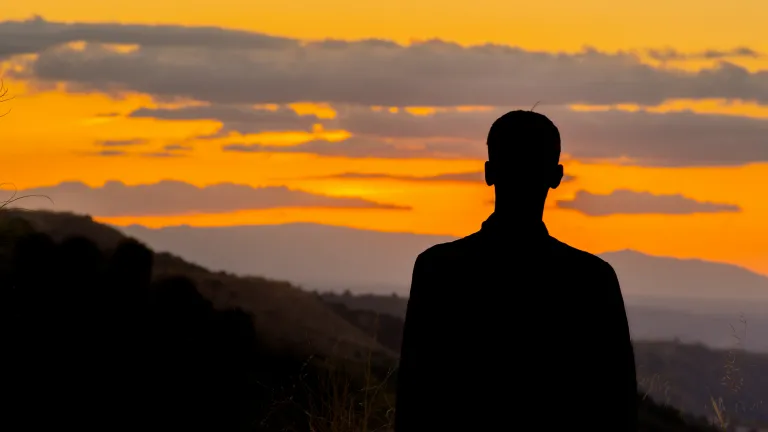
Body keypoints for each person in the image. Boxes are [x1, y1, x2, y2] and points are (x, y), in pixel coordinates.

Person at [394, 110, 638, 431]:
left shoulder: (437, 269)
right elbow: (617, 406)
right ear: (557, 176)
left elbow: (415, 398)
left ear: (489, 172)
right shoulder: (592, 279)